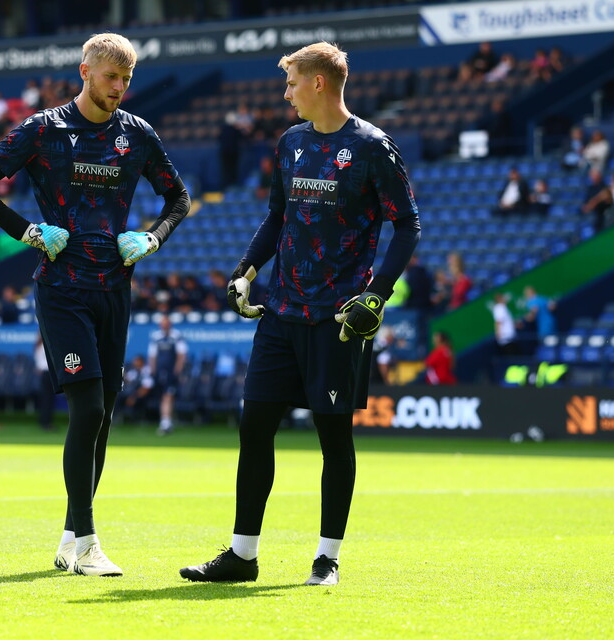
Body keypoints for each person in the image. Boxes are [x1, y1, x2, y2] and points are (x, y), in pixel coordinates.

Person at [179, 42, 420, 586]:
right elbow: (275, 217)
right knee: (254, 427)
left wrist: (375, 295)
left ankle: (327, 557)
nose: (285, 93)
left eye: (291, 83)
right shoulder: (289, 143)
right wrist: (245, 271)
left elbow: (408, 226)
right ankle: (242, 555)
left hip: (337, 319)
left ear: (318, 83)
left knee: (333, 438)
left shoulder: (372, 147)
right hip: (280, 311)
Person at [0, 33, 190, 578]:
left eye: (128, 81)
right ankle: (88, 544)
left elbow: (178, 198)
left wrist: (153, 238)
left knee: (102, 415)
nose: (120, 89)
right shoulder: (43, 129)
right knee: (86, 409)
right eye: (112, 77)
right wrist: (28, 231)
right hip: (62, 288)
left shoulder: (138, 134)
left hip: (116, 287)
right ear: (85, 71)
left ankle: (67, 537)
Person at [148, 316, 187, 435]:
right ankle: (166, 421)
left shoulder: (176, 336)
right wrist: (153, 371)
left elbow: (181, 355)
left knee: (168, 396)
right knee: (165, 396)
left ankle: (166, 422)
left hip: (171, 372)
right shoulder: (156, 337)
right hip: (160, 372)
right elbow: (152, 356)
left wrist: (177, 371)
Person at [492, 292, 517, 356]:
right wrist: (498, 334)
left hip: (510, 337)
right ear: (499, 299)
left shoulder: (503, 307)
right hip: (505, 338)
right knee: (511, 355)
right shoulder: (499, 308)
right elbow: (498, 322)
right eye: (503, 298)